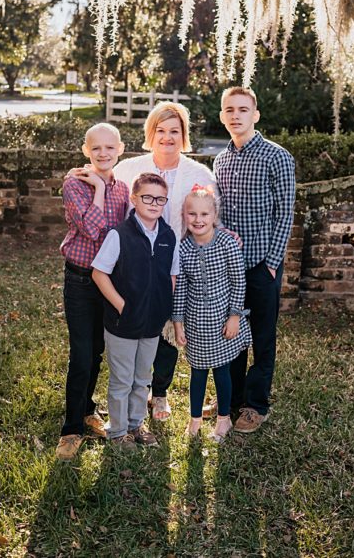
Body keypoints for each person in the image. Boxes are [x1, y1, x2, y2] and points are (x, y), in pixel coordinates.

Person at [111, 101, 214, 422]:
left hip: (177, 264)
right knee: (134, 326)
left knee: (167, 330)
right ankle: (130, 390)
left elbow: (210, 217)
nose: (167, 137)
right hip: (135, 265)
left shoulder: (199, 174)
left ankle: (160, 393)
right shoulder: (128, 169)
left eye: (174, 131)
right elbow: (108, 195)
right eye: (161, 130)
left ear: (183, 135)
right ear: (150, 133)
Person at [212, 87, 296, 433]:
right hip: (229, 269)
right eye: (229, 110)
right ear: (222, 116)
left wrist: (272, 263)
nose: (236, 115)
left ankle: (255, 405)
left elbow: (285, 212)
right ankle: (229, 401)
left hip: (262, 265)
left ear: (255, 115)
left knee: (261, 338)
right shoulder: (220, 160)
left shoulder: (276, 156)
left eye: (243, 109)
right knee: (229, 335)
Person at [56, 122, 130, 461]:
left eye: (109, 148)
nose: (103, 153)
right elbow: (92, 228)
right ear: (86, 151)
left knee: (98, 351)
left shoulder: (123, 188)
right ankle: (71, 429)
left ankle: (88, 411)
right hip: (80, 281)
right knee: (81, 355)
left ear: (120, 149)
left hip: (108, 281)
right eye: (96, 148)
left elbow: (120, 235)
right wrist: (98, 189)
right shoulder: (74, 183)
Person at [90, 172, 179, 449]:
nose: (154, 203)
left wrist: (163, 304)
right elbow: (99, 273)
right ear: (134, 199)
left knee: (142, 378)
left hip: (152, 321)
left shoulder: (168, 235)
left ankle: (135, 425)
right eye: (147, 197)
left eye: (160, 199)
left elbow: (172, 275)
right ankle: (117, 433)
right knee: (122, 379)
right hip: (123, 322)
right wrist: (123, 306)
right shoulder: (120, 235)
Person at [172, 185, 250, 442]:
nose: (198, 220)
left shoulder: (227, 243)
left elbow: (239, 281)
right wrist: (178, 323)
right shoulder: (183, 249)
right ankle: (194, 421)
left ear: (214, 215)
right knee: (197, 371)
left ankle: (224, 419)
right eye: (192, 214)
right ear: (185, 216)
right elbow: (181, 288)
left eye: (204, 214)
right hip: (196, 321)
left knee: (222, 370)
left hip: (223, 319)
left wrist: (235, 315)